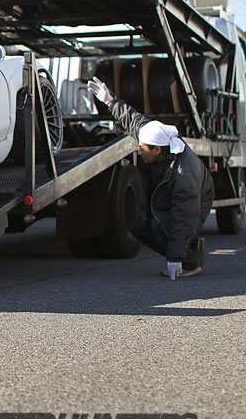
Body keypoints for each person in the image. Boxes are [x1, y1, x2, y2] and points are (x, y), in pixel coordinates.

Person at [88, 77, 215, 280]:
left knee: (163, 226)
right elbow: (133, 120)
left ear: (157, 150)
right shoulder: (156, 139)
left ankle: (190, 261)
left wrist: (173, 256)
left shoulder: (183, 176)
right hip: (168, 190)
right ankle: (182, 252)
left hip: (198, 197)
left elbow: (185, 219)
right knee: (140, 227)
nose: (139, 151)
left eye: (142, 148)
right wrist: (110, 101)